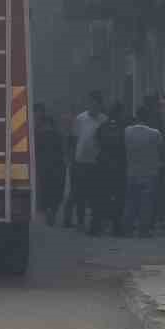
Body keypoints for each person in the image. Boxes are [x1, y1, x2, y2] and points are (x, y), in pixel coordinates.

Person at [123, 106, 164, 237]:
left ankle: (127, 228)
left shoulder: (127, 131)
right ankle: (143, 230)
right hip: (150, 172)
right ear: (149, 118)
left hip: (131, 171)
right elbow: (160, 148)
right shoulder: (155, 133)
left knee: (130, 201)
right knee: (146, 203)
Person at [93, 102, 129, 236]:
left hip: (103, 165)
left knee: (101, 196)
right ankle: (117, 227)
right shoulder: (124, 127)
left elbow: (96, 143)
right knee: (119, 198)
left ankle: (96, 226)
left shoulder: (102, 127)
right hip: (119, 166)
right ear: (120, 113)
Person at [70, 92, 105, 230]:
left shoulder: (104, 120)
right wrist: (72, 160)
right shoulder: (80, 118)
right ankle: (80, 220)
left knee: (95, 193)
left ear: (100, 105)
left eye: (96, 103)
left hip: (97, 162)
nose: (93, 106)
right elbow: (74, 138)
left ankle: (95, 221)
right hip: (81, 161)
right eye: (91, 103)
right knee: (80, 193)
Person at [34, 103, 67, 226]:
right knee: (53, 190)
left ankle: (49, 210)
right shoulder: (53, 133)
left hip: (48, 166)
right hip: (53, 166)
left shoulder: (38, 133)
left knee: (48, 190)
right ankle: (50, 210)